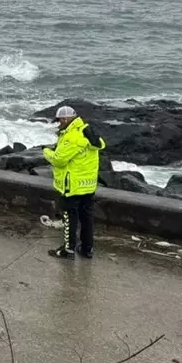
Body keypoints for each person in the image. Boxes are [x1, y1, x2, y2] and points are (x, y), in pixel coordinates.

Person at [43, 105, 106, 259]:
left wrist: (46, 151)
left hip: (72, 185)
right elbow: (101, 144)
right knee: (87, 217)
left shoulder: (72, 136)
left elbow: (59, 160)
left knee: (70, 217)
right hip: (88, 184)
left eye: (59, 120)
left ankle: (68, 250)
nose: (59, 124)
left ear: (66, 119)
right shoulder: (87, 131)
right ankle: (87, 249)